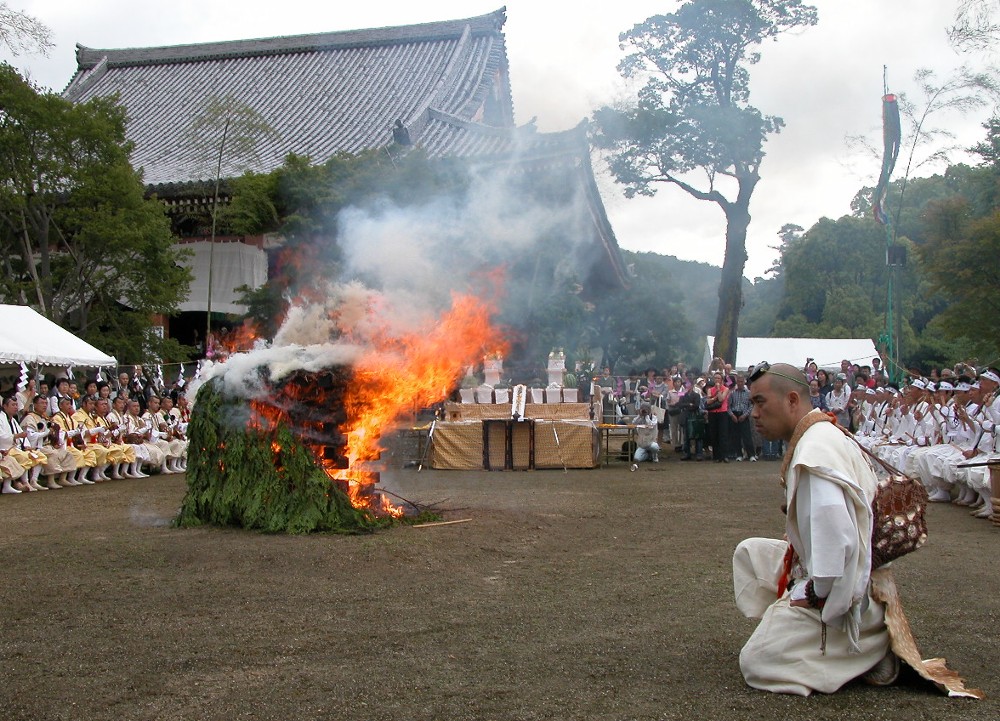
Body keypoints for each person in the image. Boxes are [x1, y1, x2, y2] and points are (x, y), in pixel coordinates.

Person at [733, 362, 893, 695]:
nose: (754, 413)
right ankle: (794, 632)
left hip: (849, 594)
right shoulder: (820, 435)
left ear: (792, 400)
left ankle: (866, 648)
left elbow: (836, 540)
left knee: (756, 661)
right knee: (750, 554)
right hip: (828, 571)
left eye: (760, 402)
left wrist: (813, 592)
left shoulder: (815, 450)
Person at [727, 374, 755, 461]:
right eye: (738, 381)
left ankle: (751, 455)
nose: (740, 383)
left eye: (741, 381)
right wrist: (732, 415)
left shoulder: (748, 393)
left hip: (744, 415)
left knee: (747, 436)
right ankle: (739, 454)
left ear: (744, 382)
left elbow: (751, 405)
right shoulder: (732, 393)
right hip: (734, 415)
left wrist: (745, 415)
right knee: (736, 436)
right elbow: (728, 406)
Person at [704, 371, 730, 462]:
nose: (717, 380)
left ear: (722, 380)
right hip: (713, 413)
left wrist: (718, 390)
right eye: (715, 378)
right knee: (714, 434)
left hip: (722, 412)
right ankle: (717, 456)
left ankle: (724, 456)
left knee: (723, 434)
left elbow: (721, 399)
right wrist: (714, 398)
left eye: (718, 378)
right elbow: (708, 401)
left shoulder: (725, 389)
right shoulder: (710, 389)